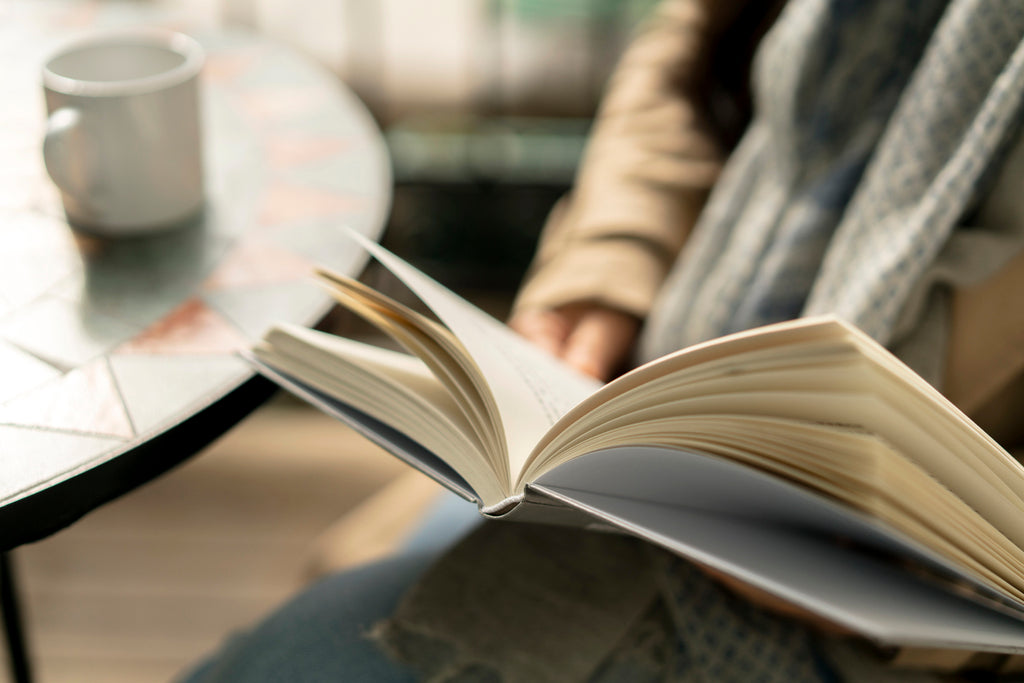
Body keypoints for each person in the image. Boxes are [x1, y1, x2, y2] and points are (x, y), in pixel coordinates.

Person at [182, 0, 1024, 680]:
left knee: (297, 655)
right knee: (302, 634)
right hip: (640, 415)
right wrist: (609, 269)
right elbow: (695, 41)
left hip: (877, 622)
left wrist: (930, 596)